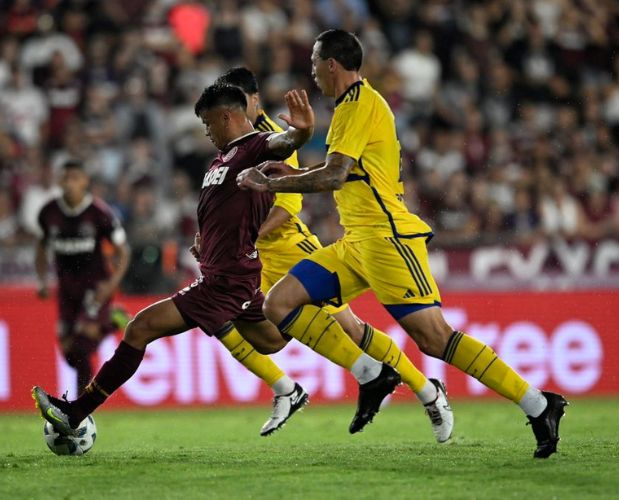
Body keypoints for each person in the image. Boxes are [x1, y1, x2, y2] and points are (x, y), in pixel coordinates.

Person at [237, 29, 568, 459]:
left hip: (387, 238)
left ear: (331, 64)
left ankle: (539, 404)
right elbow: (345, 170)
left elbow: (336, 175)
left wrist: (272, 181)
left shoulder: (359, 103)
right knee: (278, 303)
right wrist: (290, 173)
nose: (312, 70)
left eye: (316, 62)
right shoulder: (350, 107)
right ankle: (371, 374)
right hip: (356, 241)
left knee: (433, 338)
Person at [33, 83, 400, 437]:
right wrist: (204, 242)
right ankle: (368, 370)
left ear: (226, 117)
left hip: (225, 282)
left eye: (208, 124)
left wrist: (302, 133)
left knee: (139, 328)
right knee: (271, 339)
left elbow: (284, 141)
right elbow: (224, 215)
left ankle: (74, 413)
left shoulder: (254, 145)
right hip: (233, 275)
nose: (206, 132)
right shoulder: (218, 162)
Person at [215, 66, 453, 442]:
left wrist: (241, 238)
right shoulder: (230, 146)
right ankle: (284, 389)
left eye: (237, 104)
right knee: (216, 311)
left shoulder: (274, 140)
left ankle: (427, 392)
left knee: (352, 329)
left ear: (253, 100)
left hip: (291, 248)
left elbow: (286, 209)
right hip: (253, 259)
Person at [36, 159, 130, 396]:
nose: (69, 184)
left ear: (85, 182)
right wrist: (42, 281)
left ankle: (80, 408)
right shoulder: (48, 213)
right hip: (66, 290)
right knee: (69, 353)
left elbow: (123, 251)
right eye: (65, 178)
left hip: (95, 287)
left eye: (75, 178)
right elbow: (40, 247)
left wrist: (111, 284)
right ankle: (111, 322)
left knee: (81, 348)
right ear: (59, 181)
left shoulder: (99, 213)